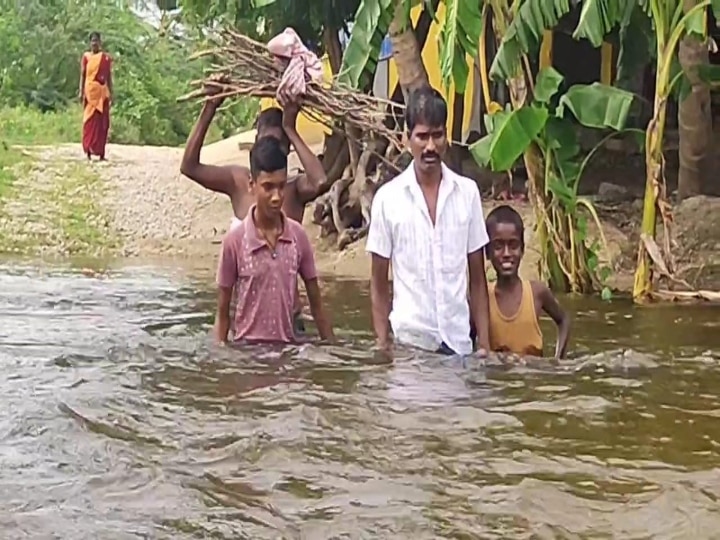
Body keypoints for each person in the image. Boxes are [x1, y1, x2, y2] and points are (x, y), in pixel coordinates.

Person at [366, 86, 491, 356]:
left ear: (447, 137)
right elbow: (377, 282)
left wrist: (485, 346)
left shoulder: (467, 193)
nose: (431, 146)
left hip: (459, 345)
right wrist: (383, 343)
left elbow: (478, 278)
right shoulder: (387, 200)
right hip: (410, 346)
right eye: (422, 136)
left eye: (438, 135)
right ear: (406, 138)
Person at [214, 136, 333, 345]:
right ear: (252, 185)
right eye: (268, 187)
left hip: (288, 352)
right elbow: (222, 313)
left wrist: (334, 352)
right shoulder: (234, 242)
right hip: (247, 354)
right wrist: (221, 361)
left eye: (281, 186)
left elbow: (317, 306)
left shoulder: (297, 237)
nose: (276, 197)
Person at [179, 92, 325, 225]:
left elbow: (319, 181)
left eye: (276, 144)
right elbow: (189, 167)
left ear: (287, 147)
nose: (269, 149)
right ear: (255, 141)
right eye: (264, 142)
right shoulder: (237, 180)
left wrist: (290, 128)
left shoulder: (294, 188)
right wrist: (209, 107)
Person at [485, 205, 570, 359]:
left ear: (522, 249)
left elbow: (563, 320)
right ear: (487, 252)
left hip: (532, 378)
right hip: (497, 380)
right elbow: (467, 340)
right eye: (498, 246)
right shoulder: (482, 299)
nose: (506, 254)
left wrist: (558, 360)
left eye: (513, 246)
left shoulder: (537, 292)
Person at [79, 32, 113, 161]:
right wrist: (81, 91)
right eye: (92, 41)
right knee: (89, 122)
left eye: (96, 41)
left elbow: (109, 77)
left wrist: (112, 93)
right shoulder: (86, 57)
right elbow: (82, 74)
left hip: (102, 94)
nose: (94, 43)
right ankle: (88, 150)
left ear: (100, 42)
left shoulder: (105, 58)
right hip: (89, 92)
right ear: (90, 43)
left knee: (102, 124)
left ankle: (101, 153)